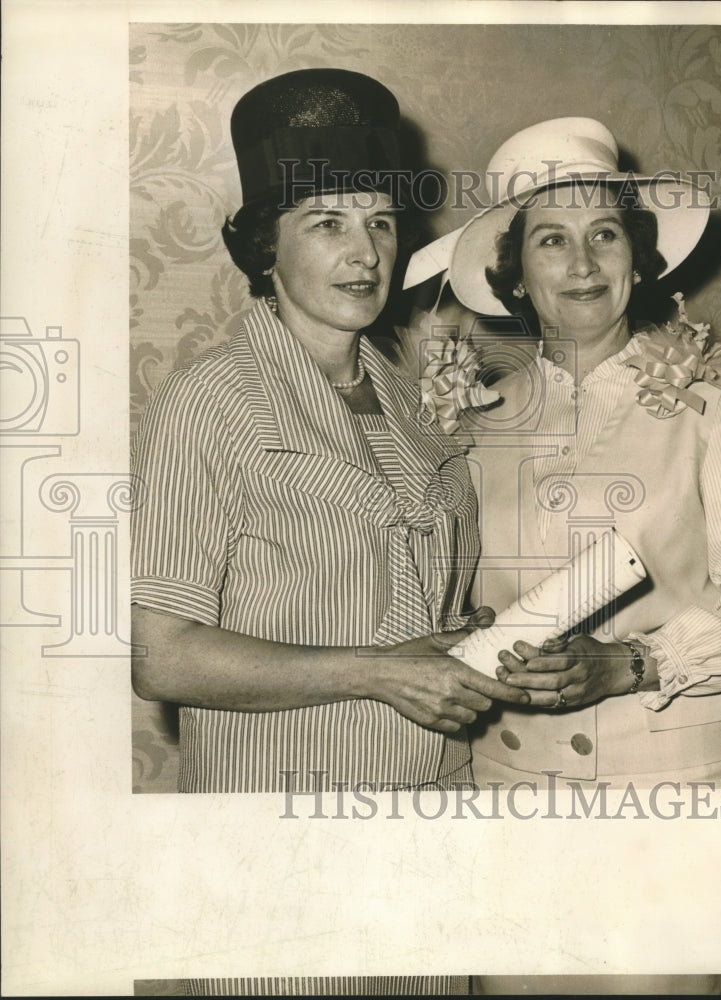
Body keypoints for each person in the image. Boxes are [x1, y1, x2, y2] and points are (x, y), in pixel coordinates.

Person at [405, 117, 721, 996]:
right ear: (515, 275)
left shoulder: (704, 402)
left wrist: (635, 662)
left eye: (604, 235)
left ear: (638, 262)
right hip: (510, 799)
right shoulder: (474, 420)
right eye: (552, 240)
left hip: (670, 804)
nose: (581, 263)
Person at [131, 70, 529, 798]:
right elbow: (163, 658)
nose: (367, 253)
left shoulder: (412, 396)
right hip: (284, 796)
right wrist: (378, 670)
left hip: (441, 788)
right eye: (327, 224)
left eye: (380, 222)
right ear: (265, 249)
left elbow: (411, 598)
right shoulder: (210, 400)